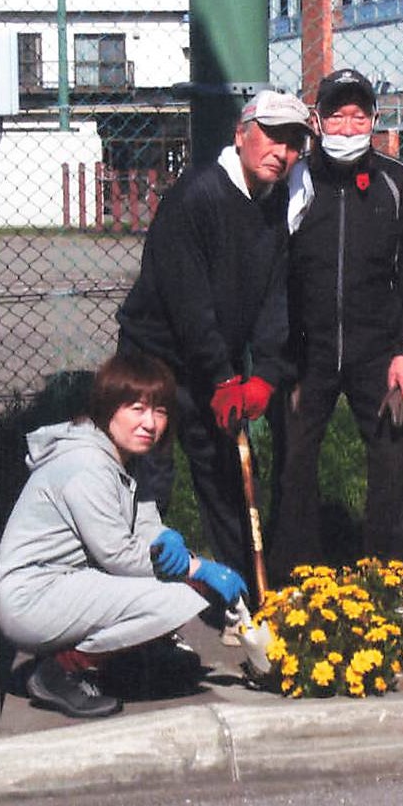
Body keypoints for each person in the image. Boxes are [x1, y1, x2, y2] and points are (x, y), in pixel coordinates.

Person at [115, 89, 307, 592]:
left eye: (293, 143)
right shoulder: (197, 196)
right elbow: (189, 304)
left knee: (229, 474)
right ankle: (138, 599)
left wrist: (264, 375)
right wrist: (222, 377)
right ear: (241, 135)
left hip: (216, 365)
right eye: (271, 137)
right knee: (148, 476)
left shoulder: (276, 202)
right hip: (156, 357)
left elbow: (275, 298)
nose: (280, 152)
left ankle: (242, 596)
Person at [0, 352, 249, 719]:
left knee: (178, 589)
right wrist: (197, 569)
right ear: (107, 408)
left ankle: (120, 663)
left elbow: (144, 526)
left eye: (160, 411)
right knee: (177, 598)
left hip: (67, 586)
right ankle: (60, 671)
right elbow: (117, 555)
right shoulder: (87, 465)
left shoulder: (121, 456)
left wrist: (170, 542)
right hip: (33, 597)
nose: (150, 423)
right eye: (137, 409)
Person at [269, 67, 403, 578]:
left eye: (358, 116)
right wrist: (277, 352)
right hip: (304, 352)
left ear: (375, 121)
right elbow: (271, 269)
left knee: (391, 467)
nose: (347, 128)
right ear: (316, 121)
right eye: (336, 116)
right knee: (293, 466)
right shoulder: (293, 177)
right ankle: (297, 582)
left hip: (377, 354)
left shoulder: (397, 181)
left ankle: (389, 581)